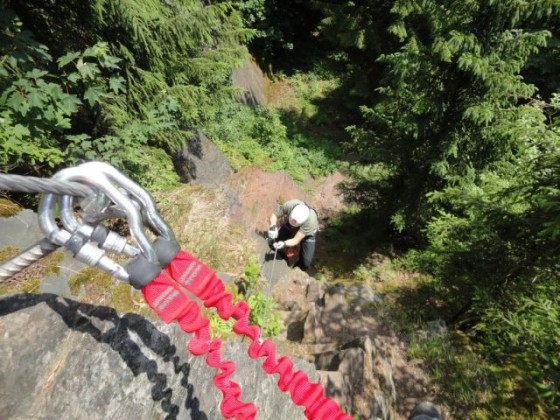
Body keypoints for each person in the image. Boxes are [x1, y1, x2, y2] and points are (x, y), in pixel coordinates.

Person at [267, 199, 319, 271]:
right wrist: (272, 227)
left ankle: (292, 272)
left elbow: (296, 240)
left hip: (308, 233)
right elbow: (274, 215)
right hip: (291, 224)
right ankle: (284, 259)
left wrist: (284, 243)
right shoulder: (290, 205)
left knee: (305, 263)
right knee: (275, 244)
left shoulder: (310, 221)